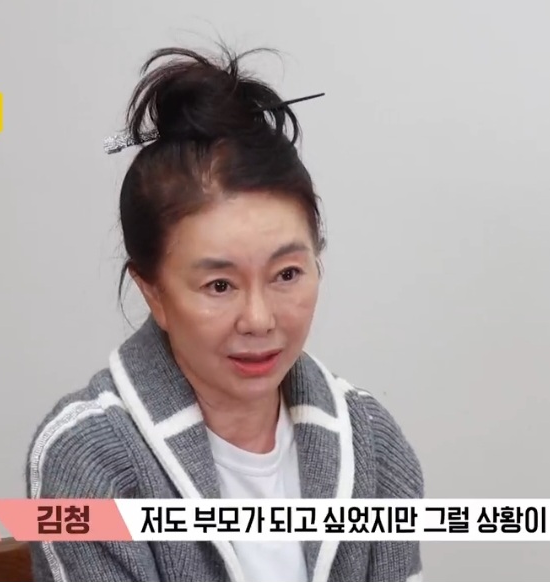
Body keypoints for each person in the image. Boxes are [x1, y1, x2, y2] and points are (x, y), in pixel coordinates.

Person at [25, 44, 425, 582]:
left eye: (287, 274)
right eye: (219, 285)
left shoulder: (369, 440)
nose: (259, 319)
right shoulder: (88, 458)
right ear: (152, 292)